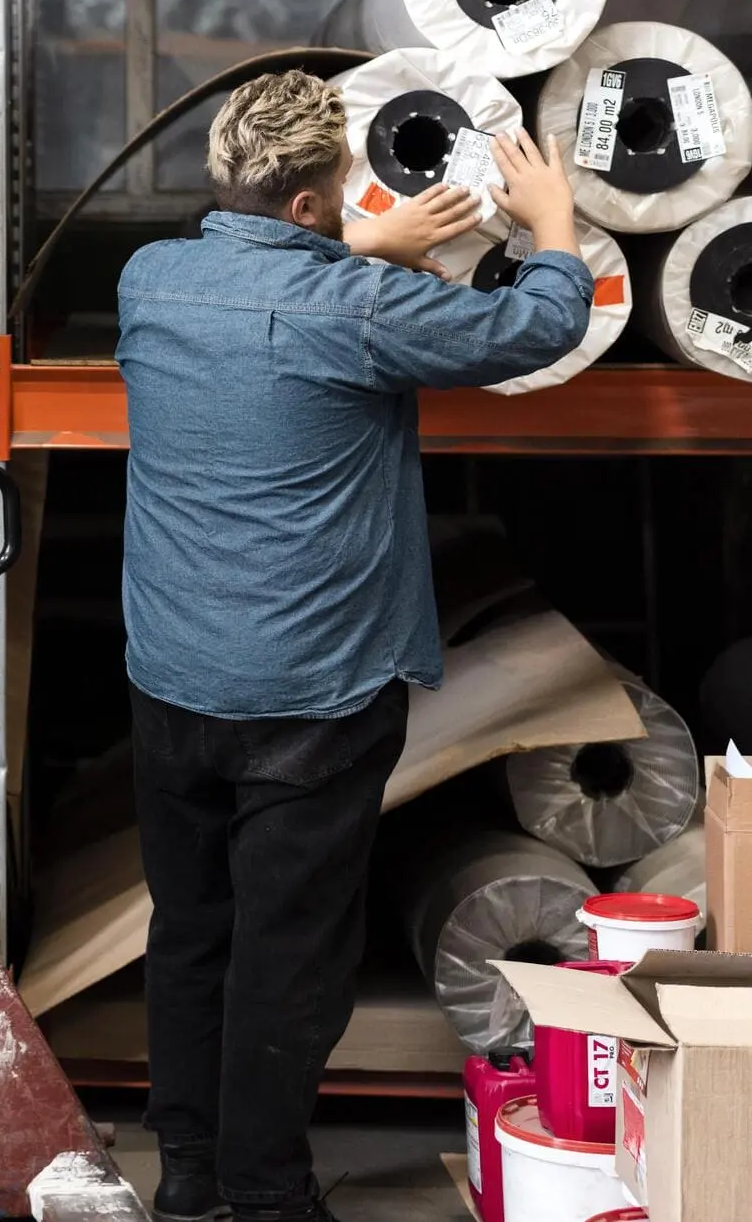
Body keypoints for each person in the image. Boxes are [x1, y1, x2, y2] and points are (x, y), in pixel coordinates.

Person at [116, 71, 591, 1222]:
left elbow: (286, 300)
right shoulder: (359, 311)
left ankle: (186, 1182)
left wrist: (358, 244)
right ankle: (269, 1197)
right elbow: (542, 323)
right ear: (307, 206)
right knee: (288, 958)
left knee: (190, 936)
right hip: (309, 699)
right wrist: (550, 224)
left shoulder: (150, 281)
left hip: (171, 679)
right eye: (335, 189)